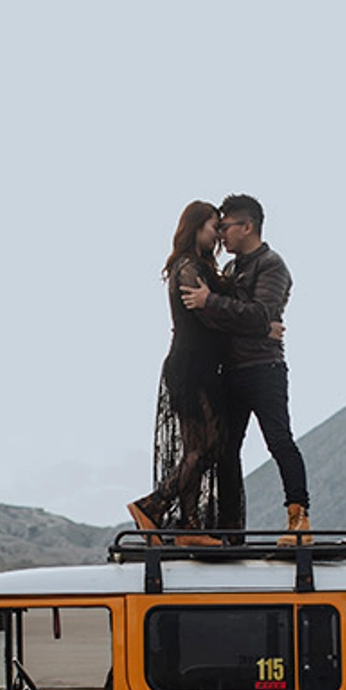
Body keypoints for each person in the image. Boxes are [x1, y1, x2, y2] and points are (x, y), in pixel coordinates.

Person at [180, 193, 311, 544]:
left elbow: (257, 312)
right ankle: (229, 529)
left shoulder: (272, 265)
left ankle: (299, 521)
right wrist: (252, 321)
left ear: (247, 226)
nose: (221, 235)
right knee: (225, 450)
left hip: (264, 368)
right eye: (218, 228)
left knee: (279, 441)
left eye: (225, 227)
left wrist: (213, 301)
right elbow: (229, 319)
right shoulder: (233, 269)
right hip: (232, 371)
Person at [126, 201, 232, 547]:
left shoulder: (197, 267)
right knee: (200, 447)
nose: (217, 233)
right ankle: (153, 506)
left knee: (203, 446)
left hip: (197, 364)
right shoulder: (188, 268)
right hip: (191, 365)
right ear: (196, 227)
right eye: (213, 226)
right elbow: (207, 318)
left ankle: (188, 525)